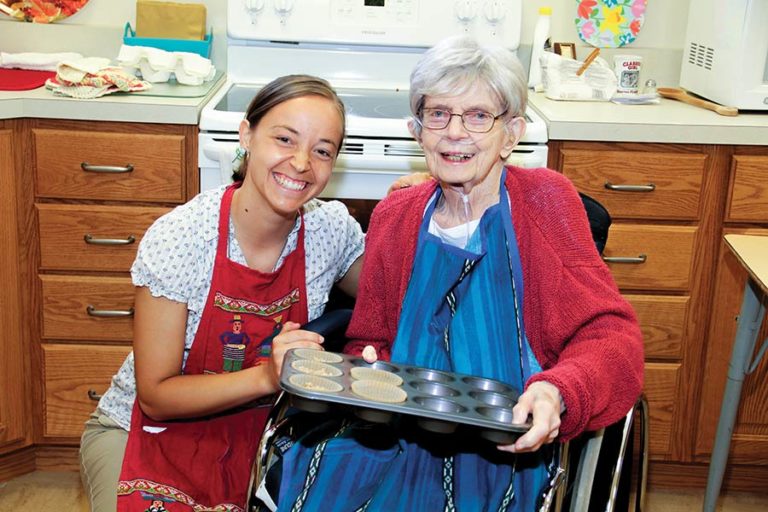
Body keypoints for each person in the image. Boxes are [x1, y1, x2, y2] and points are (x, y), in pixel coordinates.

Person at [272, 36, 644, 511]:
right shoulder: (396, 215)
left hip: (507, 448)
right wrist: (367, 367)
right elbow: (370, 339)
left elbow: (611, 337)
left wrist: (557, 390)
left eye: (478, 116)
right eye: (438, 114)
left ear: (511, 134)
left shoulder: (546, 203)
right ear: (417, 131)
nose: (454, 132)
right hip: (396, 438)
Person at [78, 74, 366, 512]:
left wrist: (423, 203)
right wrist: (267, 378)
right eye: (285, 139)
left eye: (322, 151)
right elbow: (155, 397)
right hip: (146, 433)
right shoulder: (181, 237)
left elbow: (393, 295)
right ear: (246, 135)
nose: (301, 163)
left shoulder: (331, 232)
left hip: (260, 436)